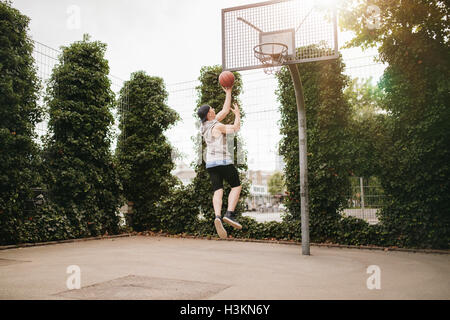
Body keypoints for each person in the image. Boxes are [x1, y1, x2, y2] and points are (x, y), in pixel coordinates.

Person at [197, 86, 242, 239]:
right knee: (236, 185)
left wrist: (228, 92)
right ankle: (229, 213)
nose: (214, 110)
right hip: (223, 161)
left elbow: (224, 110)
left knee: (218, 190)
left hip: (210, 163)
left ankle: (217, 216)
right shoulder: (218, 126)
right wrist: (237, 115)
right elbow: (236, 128)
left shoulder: (204, 126)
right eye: (212, 109)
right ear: (209, 114)